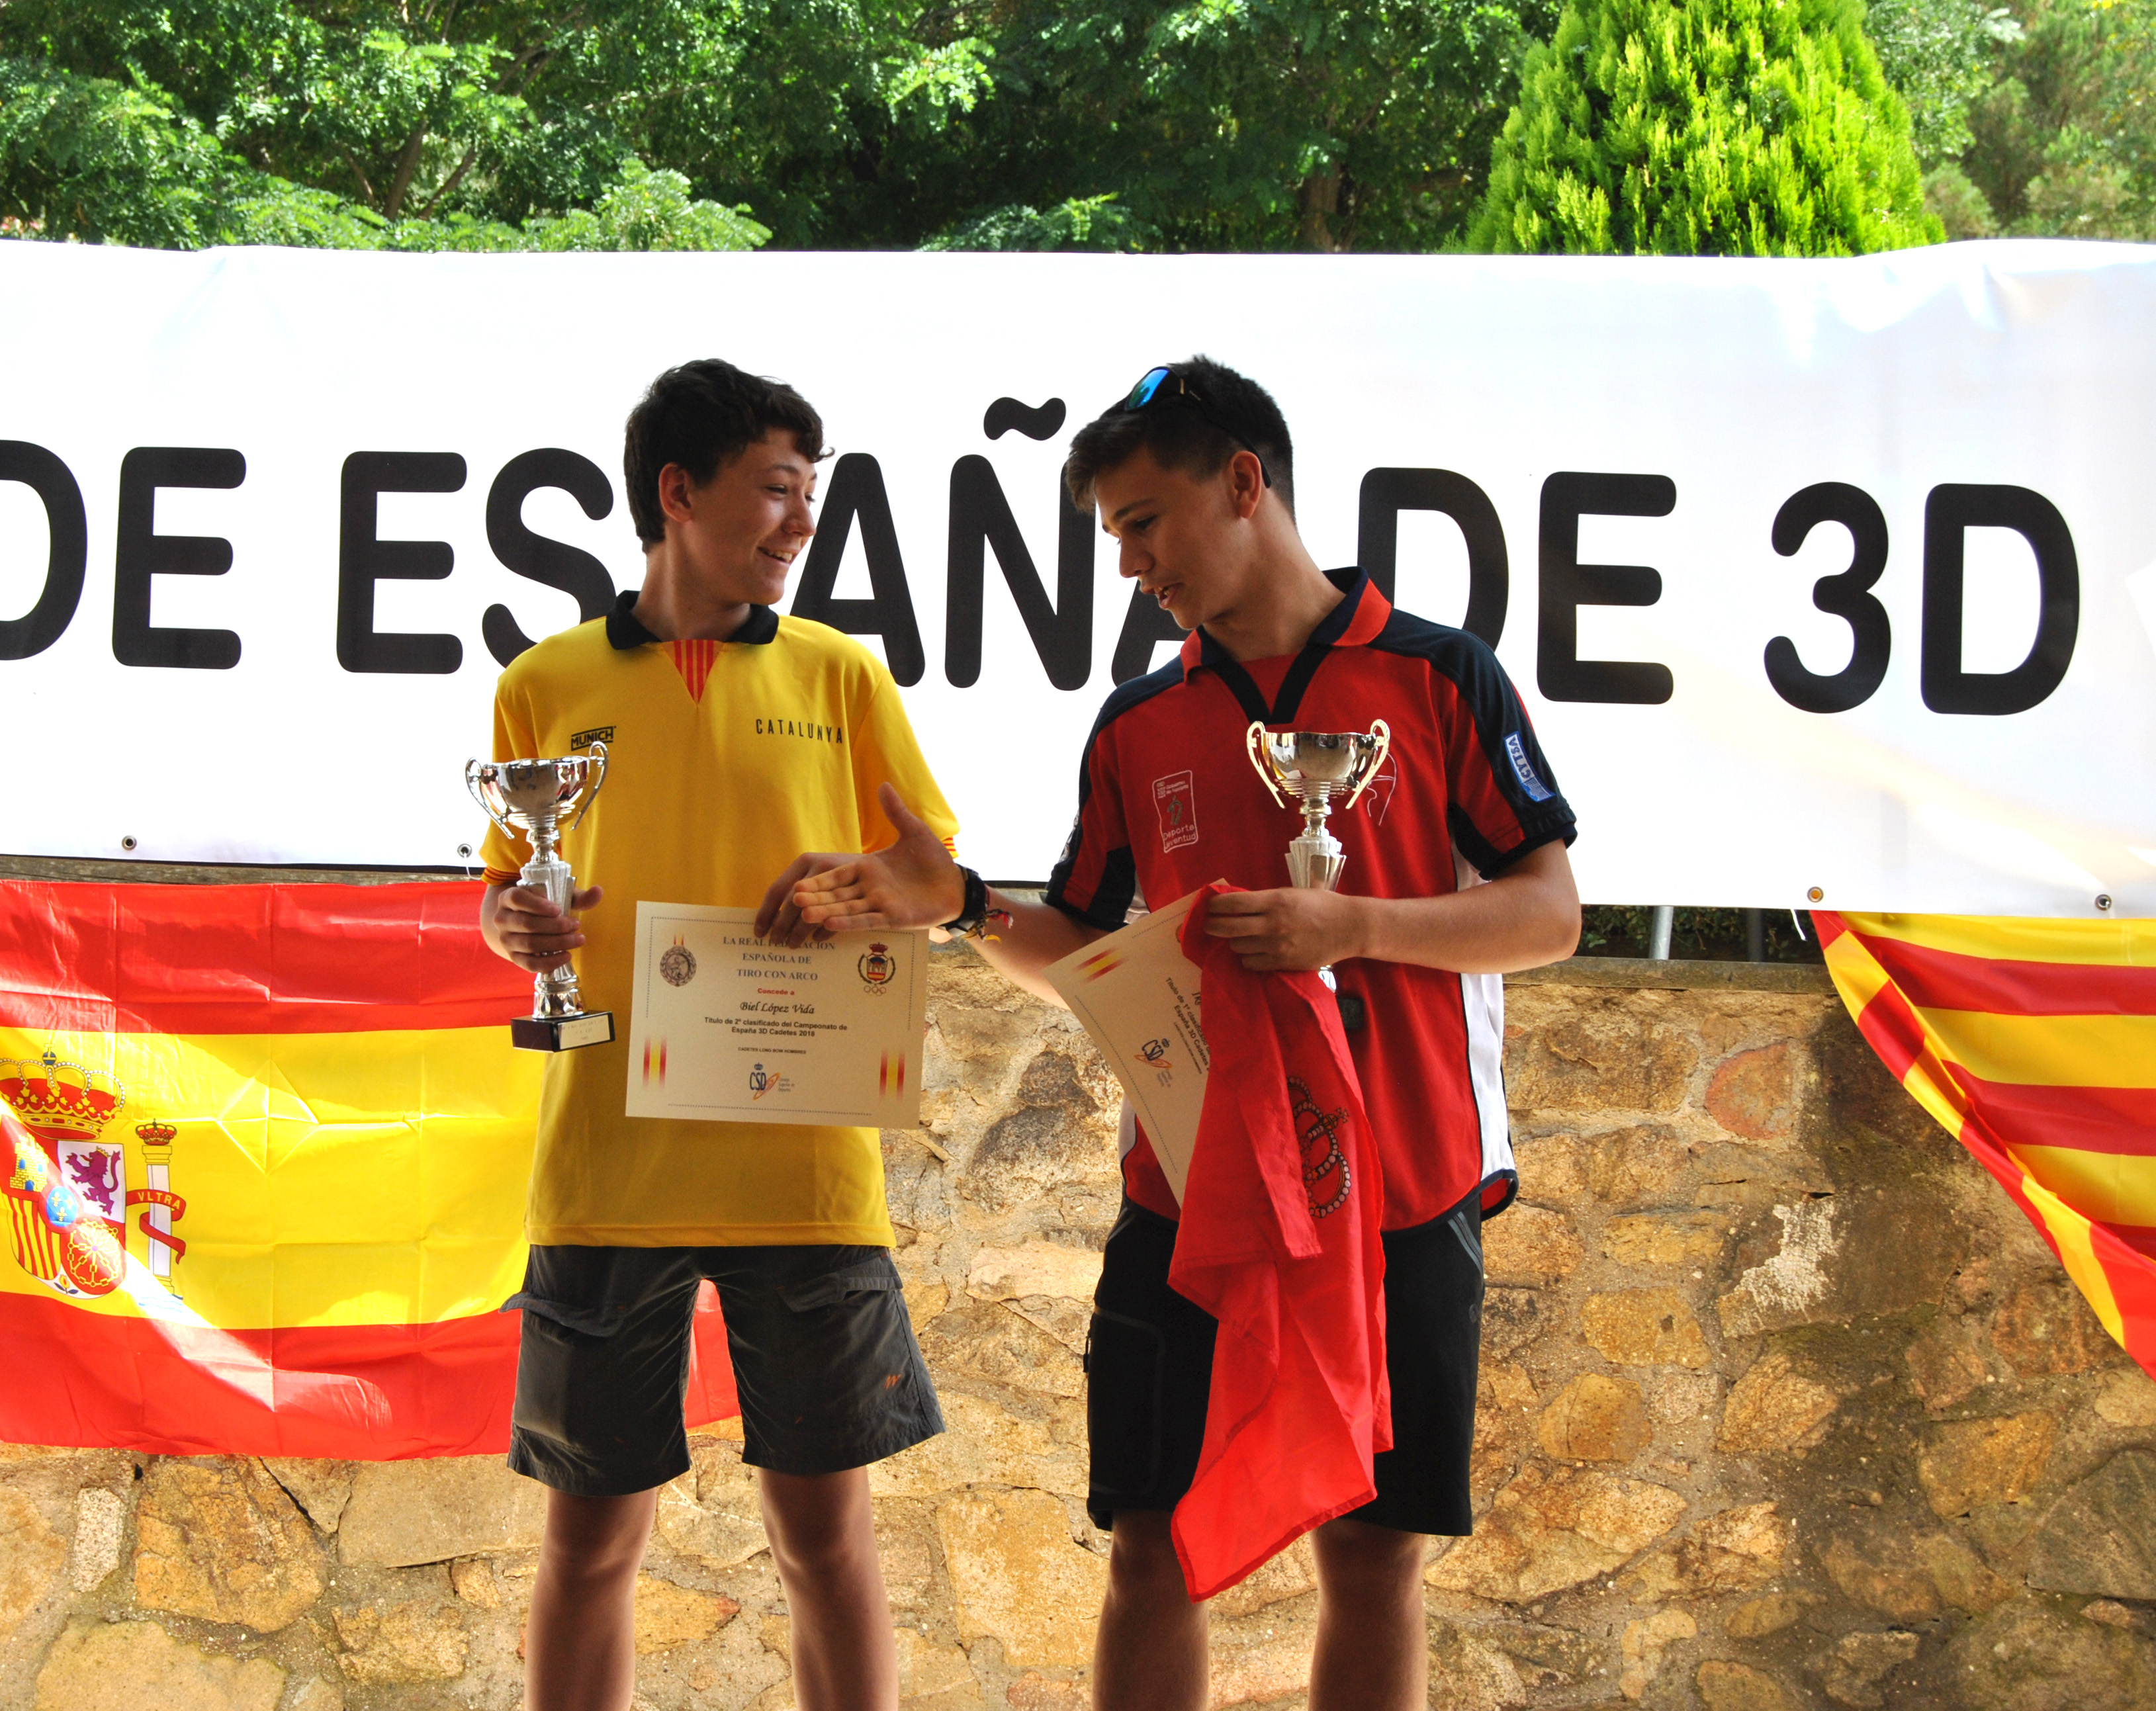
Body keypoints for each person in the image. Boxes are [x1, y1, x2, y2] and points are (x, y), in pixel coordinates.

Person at [761, 357, 1581, 1711]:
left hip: (1399, 1190)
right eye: (1113, 535)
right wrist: (961, 906)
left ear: (1244, 483)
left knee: (1372, 1559)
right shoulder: (1140, 720)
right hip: (1192, 1197)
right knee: (1151, 1548)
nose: (1130, 563)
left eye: (1144, 522)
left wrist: (1353, 928)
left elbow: (1548, 913)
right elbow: (1083, 949)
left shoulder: (1442, 674)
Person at [476, 359, 971, 1711]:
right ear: (678, 493)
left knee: (824, 1540)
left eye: (809, 495)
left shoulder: (842, 675)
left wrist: (867, 884)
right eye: (775, 491)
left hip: (802, 1168)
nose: (800, 522)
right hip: (608, 1167)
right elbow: (505, 890)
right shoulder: (542, 684)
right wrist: (512, 925)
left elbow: (938, 885)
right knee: (590, 1544)